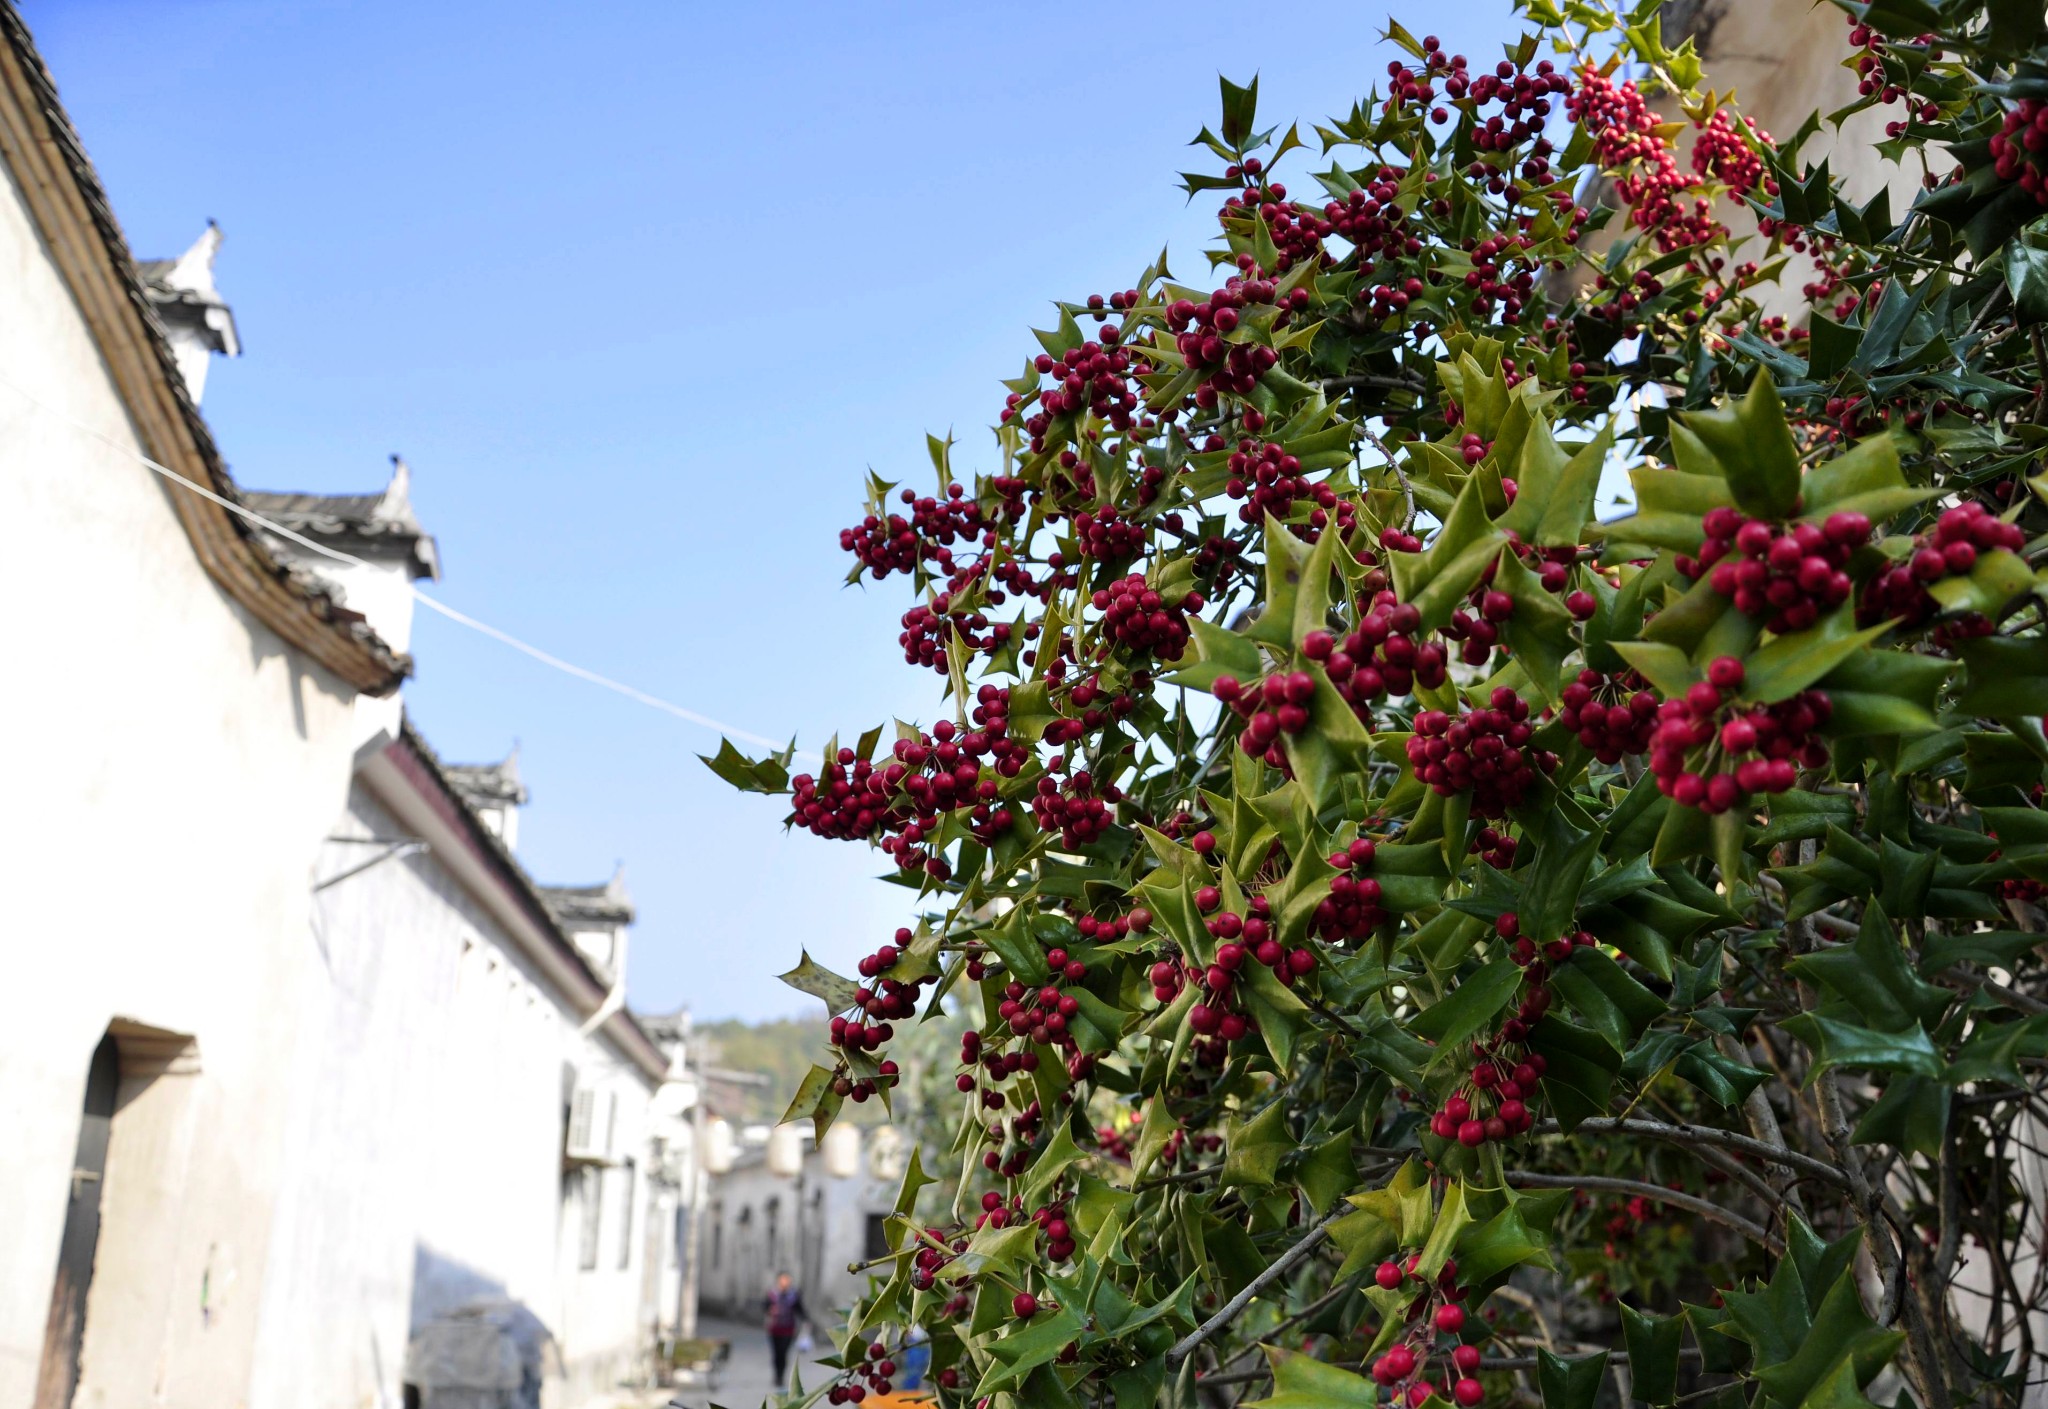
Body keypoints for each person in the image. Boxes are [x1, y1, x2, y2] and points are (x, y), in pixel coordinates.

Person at [762, 1272, 808, 1387]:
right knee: (776, 1353)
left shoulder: (794, 1296)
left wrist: (807, 1320)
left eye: (787, 1280)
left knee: (783, 1352)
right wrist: (771, 1310)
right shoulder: (772, 1294)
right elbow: (764, 1307)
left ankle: (781, 1376)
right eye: (783, 1280)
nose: (785, 1283)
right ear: (778, 1281)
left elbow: (800, 1310)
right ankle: (776, 1375)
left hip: (788, 1329)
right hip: (774, 1328)